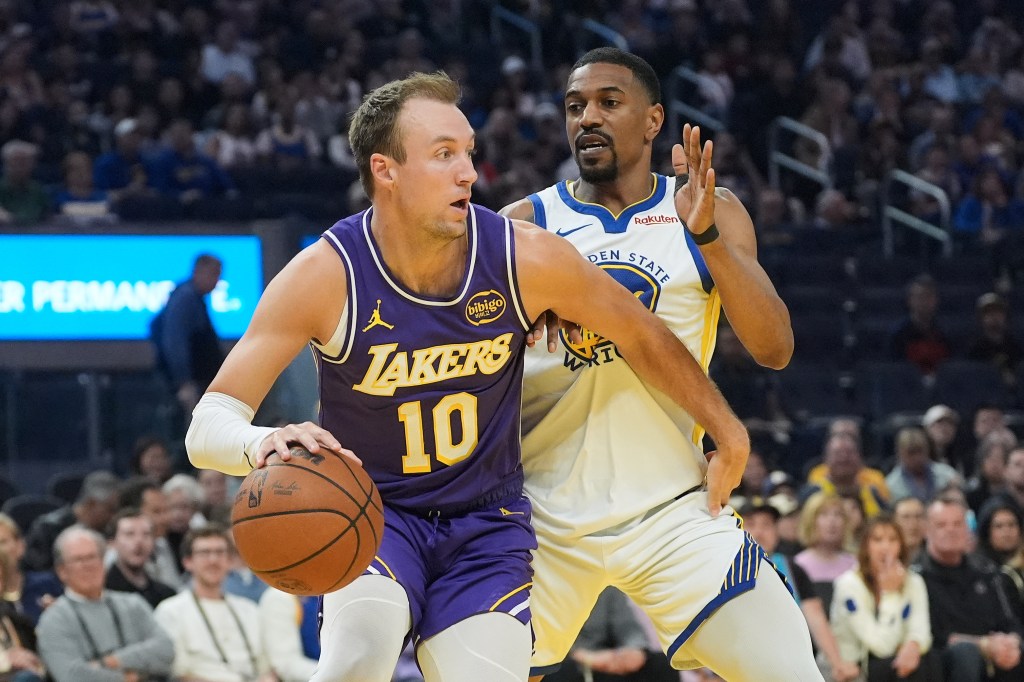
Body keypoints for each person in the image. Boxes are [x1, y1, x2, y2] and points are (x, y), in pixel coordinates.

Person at [186, 71, 751, 682]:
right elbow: (207, 426)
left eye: (468, 152)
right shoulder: (326, 274)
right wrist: (262, 442)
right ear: (386, 170)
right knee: (357, 659)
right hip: (375, 514)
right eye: (444, 155)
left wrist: (727, 431)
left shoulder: (522, 254)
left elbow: (642, 332)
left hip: (487, 525)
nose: (468, 173)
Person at [499, 48, 816, 680]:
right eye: (575, 106)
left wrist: (708, 240)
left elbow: (774, 348)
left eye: (608, 102)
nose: (588, 117)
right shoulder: (524, 227)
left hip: (673, 508)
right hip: (541, 515)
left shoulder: (709, 208)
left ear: (653, 121)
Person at [36, 527, 175, 682]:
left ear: (103, 562)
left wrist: (108, 662)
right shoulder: (54, 619)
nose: (87, 566)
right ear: (62, 571)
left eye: (92, 557)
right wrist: (132, 677)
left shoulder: (133, 604)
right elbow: (72, 676)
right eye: (78, 560)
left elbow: (166, 650)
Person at [742, 500, 858, 682]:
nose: (759, 532)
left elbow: (816, 617)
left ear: (776, 532)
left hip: (790, 664)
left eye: (766, 525)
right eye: (751, 524)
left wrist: (837, 663)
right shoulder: (726, 569)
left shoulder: (791, 568)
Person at [913, 496, 1023, 682]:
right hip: (947, 661)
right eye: (941, 525)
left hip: (998, 654)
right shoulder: (917, 578)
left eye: (957, 524)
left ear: (967, 529)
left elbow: (1010, 621)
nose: (951, 530)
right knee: (965, 654)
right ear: (926, 531)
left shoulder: (987, 572)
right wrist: (983, 645)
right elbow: (934, 637)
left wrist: (1012, 641)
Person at [154, 526, 274, 682]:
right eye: (204, 553)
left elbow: (268, 667)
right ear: (188, 562)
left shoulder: (249, 609)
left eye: (220, 552)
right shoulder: (170, 611)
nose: (213, 560)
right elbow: (179, 674)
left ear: (230, 561)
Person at [830, 516, 938, 682]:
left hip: (898, 661)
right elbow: (881, 647)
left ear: (901, 546)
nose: (885, 547)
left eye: (892, 540)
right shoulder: (848, 585)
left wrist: (913, 645)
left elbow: (921, 630)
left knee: (930, 659)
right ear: (866, 546)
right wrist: (890, 594)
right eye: (877, 540)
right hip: (858, 668)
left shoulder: (913, 581)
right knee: (896, 667)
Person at [150, 254, 225, 422]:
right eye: (213, 274)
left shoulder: (195, 298)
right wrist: (184, 381)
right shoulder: (185, 298)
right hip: (189, 384)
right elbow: (175, 342)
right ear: (198, 272)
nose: (217, 281)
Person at [23, 471, 121, 572]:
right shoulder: (48, 529)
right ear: (91, 504)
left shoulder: (110, 531)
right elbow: (39, 571)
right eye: (111, 510)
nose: (114, 516)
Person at [103, 508, 176, 609]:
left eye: (146, 534)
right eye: (129, 534)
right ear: (112, 542)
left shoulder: (166, 596)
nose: (139, 541)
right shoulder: (103, 592)